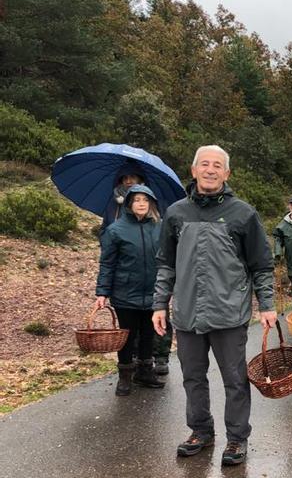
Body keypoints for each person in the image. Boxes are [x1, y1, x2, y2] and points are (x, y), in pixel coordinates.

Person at [152, 145, 275, 467]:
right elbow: (166, 264)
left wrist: (267, 305)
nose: (210, 170)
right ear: (193, 171)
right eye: (204, 164)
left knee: (235, 379)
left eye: (217, 165)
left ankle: (236, 438)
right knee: (192, 376)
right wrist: (159, 304)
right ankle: (201, 431)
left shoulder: (243, 214)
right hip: (188, 313)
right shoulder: (176, 213)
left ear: (227, 174)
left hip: (229, 314)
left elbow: (261, 265)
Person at [95, 184, 165, 396]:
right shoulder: (115, 230)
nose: (141, 204)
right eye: (136, 200)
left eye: (145, 200)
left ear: (151, 203)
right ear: (128, 204)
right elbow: (107, 263)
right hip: (125, 293)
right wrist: (102, 292)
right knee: (127, 336)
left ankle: (144, 371)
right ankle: (125, 375)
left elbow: (167, 259)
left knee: (148, 334)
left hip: (153, 292)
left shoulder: (160, 227)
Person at [101, 166, 145, 231]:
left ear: (139, 180)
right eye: (125, 178)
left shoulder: (147, 203)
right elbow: (104, 227)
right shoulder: (115, 200)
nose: (128, 181)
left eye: (132, 177)